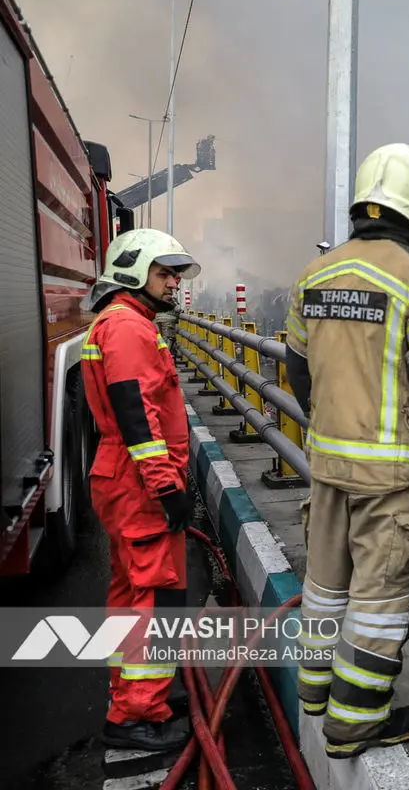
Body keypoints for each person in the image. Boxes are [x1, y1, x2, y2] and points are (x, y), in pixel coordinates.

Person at [284, 142, 409, 759]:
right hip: (391, 483)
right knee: (380, 607)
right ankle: (354, 726)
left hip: (328, 466)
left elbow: (299, 370)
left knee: (325, 589)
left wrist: (329, 430)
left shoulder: (313, 275)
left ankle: (314, 700)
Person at [80, 228, 201, 751]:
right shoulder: (128, 329)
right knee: (158, 598)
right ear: (134, 270)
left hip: (123, 481)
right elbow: (138, 418)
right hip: (140, 487)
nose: (174, 282)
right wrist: (168, 488)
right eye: (165, 272)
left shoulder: (119, 323)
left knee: (130, 594)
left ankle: (131, 695)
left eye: (175, 273)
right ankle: (136, 714)